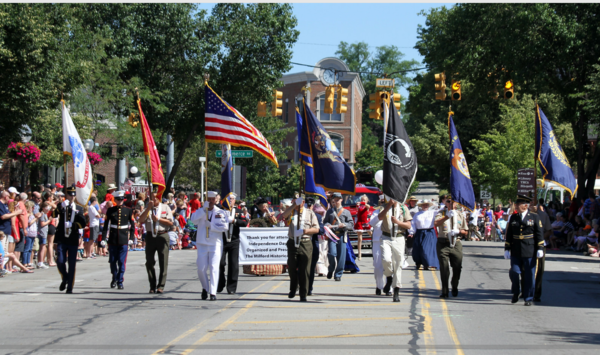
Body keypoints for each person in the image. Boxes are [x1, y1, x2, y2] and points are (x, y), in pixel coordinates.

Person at [504, 194, 544, 306]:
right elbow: (509, 234)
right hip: (516, 249)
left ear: (525, 205)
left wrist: (540, 247)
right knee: (515, 272)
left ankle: (528, 297)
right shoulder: (513, 217)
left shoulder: (534, 217)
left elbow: (539, 233)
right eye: (516, 204)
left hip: (529, 249)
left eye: (519, 204)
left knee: (529, 275)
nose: (516, 206)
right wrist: (507, 248)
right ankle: (516, 292)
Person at [189, 191, 230, 301]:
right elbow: (193, 220)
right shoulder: (201, 211)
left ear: (216, 200)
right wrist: (203, 210)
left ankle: (213, 292)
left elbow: (224, 227)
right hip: (202, 243)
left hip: (215, 243)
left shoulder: (221, 212)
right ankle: (205, 287)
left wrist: (211, 226)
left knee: (214, 267)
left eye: (213, 199)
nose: (211, 202)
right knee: (201, 269)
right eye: (209, 199)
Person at [280, 197, 319, 301]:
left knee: (305, 269)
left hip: (305, 242)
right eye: (295, 200)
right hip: (293, 242)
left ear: (304, 202)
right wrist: (293, 206)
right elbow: (283, 216)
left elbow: (316, 229)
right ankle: (293, 288)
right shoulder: (291, 212)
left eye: (300, 200)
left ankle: (303, 294)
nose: (298, 202)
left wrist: (305, 231)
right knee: (292, 267)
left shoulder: (310, 213)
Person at [139, 190, 174, 294]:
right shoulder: (147, 208)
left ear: (159, 197)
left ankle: (161, 286)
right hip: (150, 236)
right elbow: (140, 220)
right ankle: (152, 285)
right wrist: (148, 208)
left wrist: (158, 219)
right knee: (149, 262)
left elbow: (170, 222)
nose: (153, 199)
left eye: (155, 197)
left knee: (163, 262)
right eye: (151, 197)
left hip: (162, 235)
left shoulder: (165, 207)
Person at [377, 198, 412, 302]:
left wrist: (398, 222)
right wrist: (388, 206)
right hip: (386, 237)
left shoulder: (403, 208)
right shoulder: (384, 207)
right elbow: (380, 217)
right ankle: (389, 277)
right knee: (386, 259)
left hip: (399, 237)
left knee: (398, 264)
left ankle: (396, 291)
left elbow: (408, 225)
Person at [54, 185, 86, 293]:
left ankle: (70, 287)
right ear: (66, 195)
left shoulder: (79, 208)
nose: (72, 197)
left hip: (72, 238)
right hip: (62, 238)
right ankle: (65, 277)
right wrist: (60, 207)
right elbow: (53, 215)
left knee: (72, 263)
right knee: (60, 261)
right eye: (69, 195)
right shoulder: (61, 206)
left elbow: (83, 223)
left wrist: (73, 225)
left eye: (73, 195)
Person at [434, 195, 468, 298]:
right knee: (444, 268)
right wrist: (447, 216)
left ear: (456, 203)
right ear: (445, 202)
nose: (451, 204)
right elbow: (435, 223)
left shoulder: (460, 215)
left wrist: (458, 231)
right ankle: (444, 291)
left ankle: (454, 285)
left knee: (457, 267)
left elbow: (465, 231)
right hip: (443, 243)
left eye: (453, 202)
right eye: (449, 201)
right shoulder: (441, 213)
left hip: (456, 244)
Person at [102, 190, 135, 289]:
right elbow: (105, 226)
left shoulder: (128, 210)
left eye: (121, 200)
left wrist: (131, 238)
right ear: (115, 200)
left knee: (121, 261)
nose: (120, 201)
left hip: (124, 238)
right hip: (113, 238)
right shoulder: (110, 210)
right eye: (118, 199)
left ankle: (120, 281)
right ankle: (114, 278)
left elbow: (132, 226)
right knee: (112, 261)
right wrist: (103, 238)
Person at [218, 193, 248, 295]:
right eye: (228, 199)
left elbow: (244, 222)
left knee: (234, 265)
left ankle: (231, 287)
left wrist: (234, 221)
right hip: (222, 240)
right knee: (219, 263)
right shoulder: (220, 211)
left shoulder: (239, 211)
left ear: (235, 200)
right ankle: (220, 282)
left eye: (231, 199)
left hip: (234, 240)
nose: (230, 201)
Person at [323, 192, 354, 282]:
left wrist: (344, 225)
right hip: (332, 235)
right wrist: (328, 225)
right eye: (334, 200)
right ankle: (331, 269)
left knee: (341, 256)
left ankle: (338, 274)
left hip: (341, 235)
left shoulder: (346, 212)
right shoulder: (329, 211)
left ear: (341, 200)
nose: (336, 201)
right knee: (332, 254)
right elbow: (325, 222)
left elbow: (351, 224)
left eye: (337, 200)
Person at [529, 203, 552, 303]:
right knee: (526, 268)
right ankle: (526, 290)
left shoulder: (543, 215)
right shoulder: (525, 215)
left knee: (540, 269)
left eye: (534, 204)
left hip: (540, 245)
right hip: (527, 245)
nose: (533, 206)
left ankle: (537, 293)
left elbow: (549, 230)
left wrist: (541, 239)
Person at [411, 200, 442, 271]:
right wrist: (411, 232)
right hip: (419, 232)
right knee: (417, 249)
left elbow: (441, 210)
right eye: (424, 205)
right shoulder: (417, 214)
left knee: (425, 249)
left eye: (427, 205)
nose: (425, 206)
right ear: (421, 206)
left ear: (428, 206)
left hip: (429, 232)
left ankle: (427, 263)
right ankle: (418, 262)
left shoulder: (432, 213)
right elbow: (413, 224)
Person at [368, 195, 389, 295]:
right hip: (377, 241)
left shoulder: (392, 212)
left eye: (384, 202)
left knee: (389, 264)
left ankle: (390, 288)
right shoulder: (375, 212)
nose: (383, 204)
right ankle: (379, 286)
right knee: (378, 266)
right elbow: (372, 223)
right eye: (381, 202)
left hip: (389, 241)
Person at [306, 197, 325, 296]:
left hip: (313, 245)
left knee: (311, 268)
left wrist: (313, 228)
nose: (308, 207)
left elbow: (322, 230)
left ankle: (309, 288)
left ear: (313, 206)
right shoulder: (298, 216)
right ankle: (301, 285)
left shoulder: (317, 216)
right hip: (301, 245)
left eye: (310, 205)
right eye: (307, 205)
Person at [354, 194, 372, 260]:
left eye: (364, 200)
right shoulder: (359, 206)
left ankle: (375, 247)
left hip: (365, 223)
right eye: (361, 200)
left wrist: (362, 202)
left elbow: (367, 206)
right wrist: (358, 204)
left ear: (367, 201)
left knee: (371, 235)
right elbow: (357, 207)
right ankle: (359, 253)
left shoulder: (367, 206)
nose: (362, 201)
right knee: (360, 238)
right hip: (359, 222)